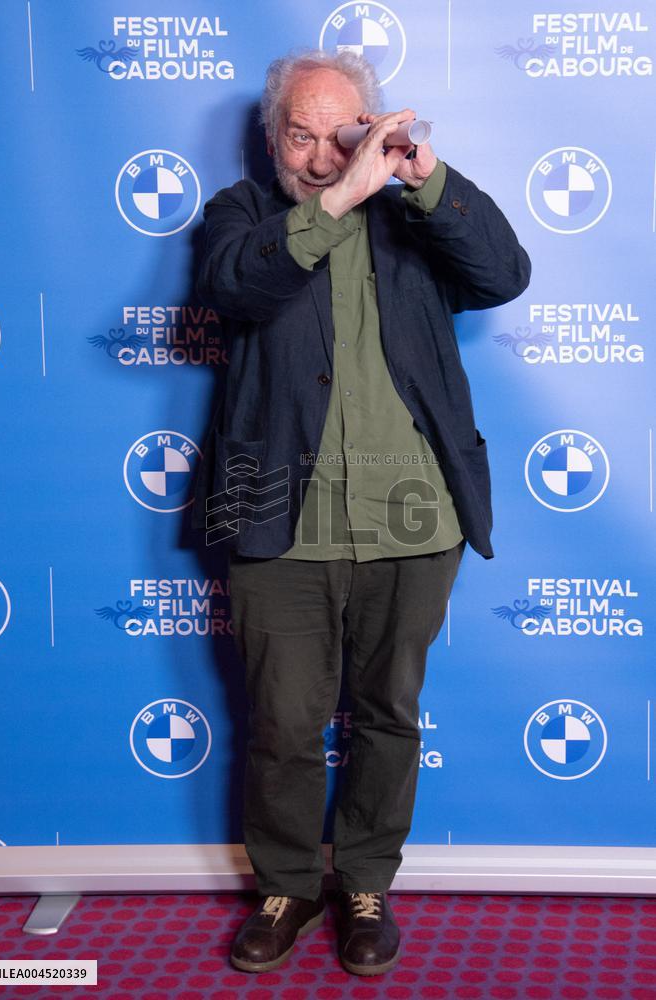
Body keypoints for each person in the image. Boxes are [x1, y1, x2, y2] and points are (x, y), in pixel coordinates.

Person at [193, 48, 531, 976]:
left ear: (369, 131)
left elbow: (504, 273)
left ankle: (368, 883)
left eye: (336, 133)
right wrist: (337, 195)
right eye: (296, 134)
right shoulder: (241, 216)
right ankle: (289, 884)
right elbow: (235, 287)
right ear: (271, 141)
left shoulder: (413, 218)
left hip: (415, 521)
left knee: (388, 711)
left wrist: (420, 178)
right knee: (284, 721)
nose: (315, 153)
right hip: (279, 523)